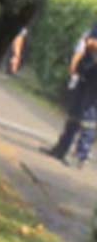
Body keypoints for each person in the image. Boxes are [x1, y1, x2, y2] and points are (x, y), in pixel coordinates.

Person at [45, 26, 97, 167]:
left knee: (89, 117)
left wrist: (92, 44)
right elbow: (88, 42)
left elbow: (91, 42)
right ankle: (61, 149)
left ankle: (81, 155)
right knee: (74, 113)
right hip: (87, 70)